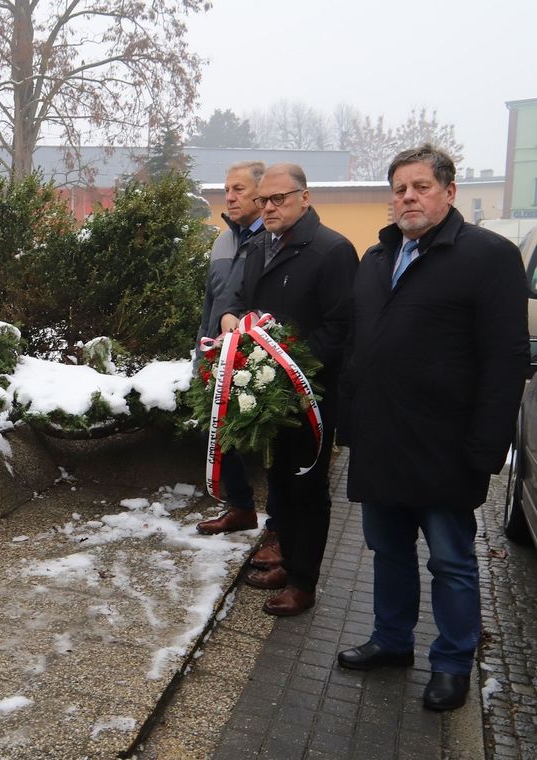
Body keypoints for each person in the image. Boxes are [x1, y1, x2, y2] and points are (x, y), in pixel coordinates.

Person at [336, 144, 529, 711]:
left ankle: (451, 663)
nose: (408, 197)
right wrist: (351, 422)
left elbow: (506, 359)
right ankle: (392, 641)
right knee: (387, 550)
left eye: (421, 186)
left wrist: (487, 448)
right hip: (380, 439)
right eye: (399, 189)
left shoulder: (488, 257)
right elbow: (358, 347)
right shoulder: (377, 258)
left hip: (445, 446)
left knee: (450, 561)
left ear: (449, 191)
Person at [217, 163, 358, 616]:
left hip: (309, 395)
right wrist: (231, 320)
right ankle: (289, 561)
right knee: (279, 480)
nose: (269, 207)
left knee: (307, 488)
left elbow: (340, 326)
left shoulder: (332, 250)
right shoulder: (260, 245)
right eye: (264, 200)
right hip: (268, 392)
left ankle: (303, 581)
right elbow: (240, 298)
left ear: (304, 197)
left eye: (279, 198)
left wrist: (288, 368)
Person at [194, 161, 281, 570]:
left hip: (262, 361)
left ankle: (279, 529)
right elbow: (211, 304)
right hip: (219, 357)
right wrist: (201, 354)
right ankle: (240, 506)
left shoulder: (276, 240)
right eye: (227, 189)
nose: (229, 197)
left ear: (262, 195)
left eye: (239, 189)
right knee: (217, 432)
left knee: (276, 446)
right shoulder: (222, 243)